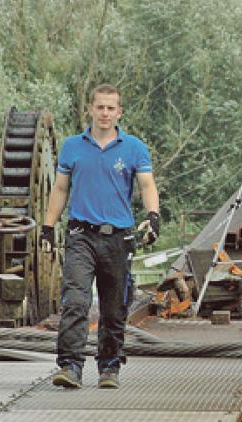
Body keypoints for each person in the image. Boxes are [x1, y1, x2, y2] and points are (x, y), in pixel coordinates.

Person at [41, 84, 160, 389]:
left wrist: (153, 217)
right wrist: (48, 227)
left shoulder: (134, 148)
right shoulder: (72, 147)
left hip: (118, 238)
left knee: (113, 307)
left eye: (111, 108)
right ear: (91, 109)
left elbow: (146, 185)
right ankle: (70, 365)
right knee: (75, 300)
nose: (105, 113)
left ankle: (109, 367)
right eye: (100, 107)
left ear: (119, 112)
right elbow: (60, 189)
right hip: (81, 235)